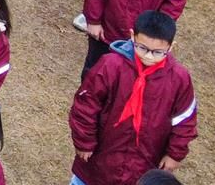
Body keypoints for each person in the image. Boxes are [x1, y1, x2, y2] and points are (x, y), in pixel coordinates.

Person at [68, 11, 195, 185]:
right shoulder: (110, 65)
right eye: (142, 48)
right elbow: (85, 105)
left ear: (171, 47)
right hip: (98, 159)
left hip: (144, 165)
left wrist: (174, 154)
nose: (149, 56)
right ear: (132, 36)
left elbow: (185, 120)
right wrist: (84, 141)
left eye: (158, 52)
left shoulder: (179, 79)